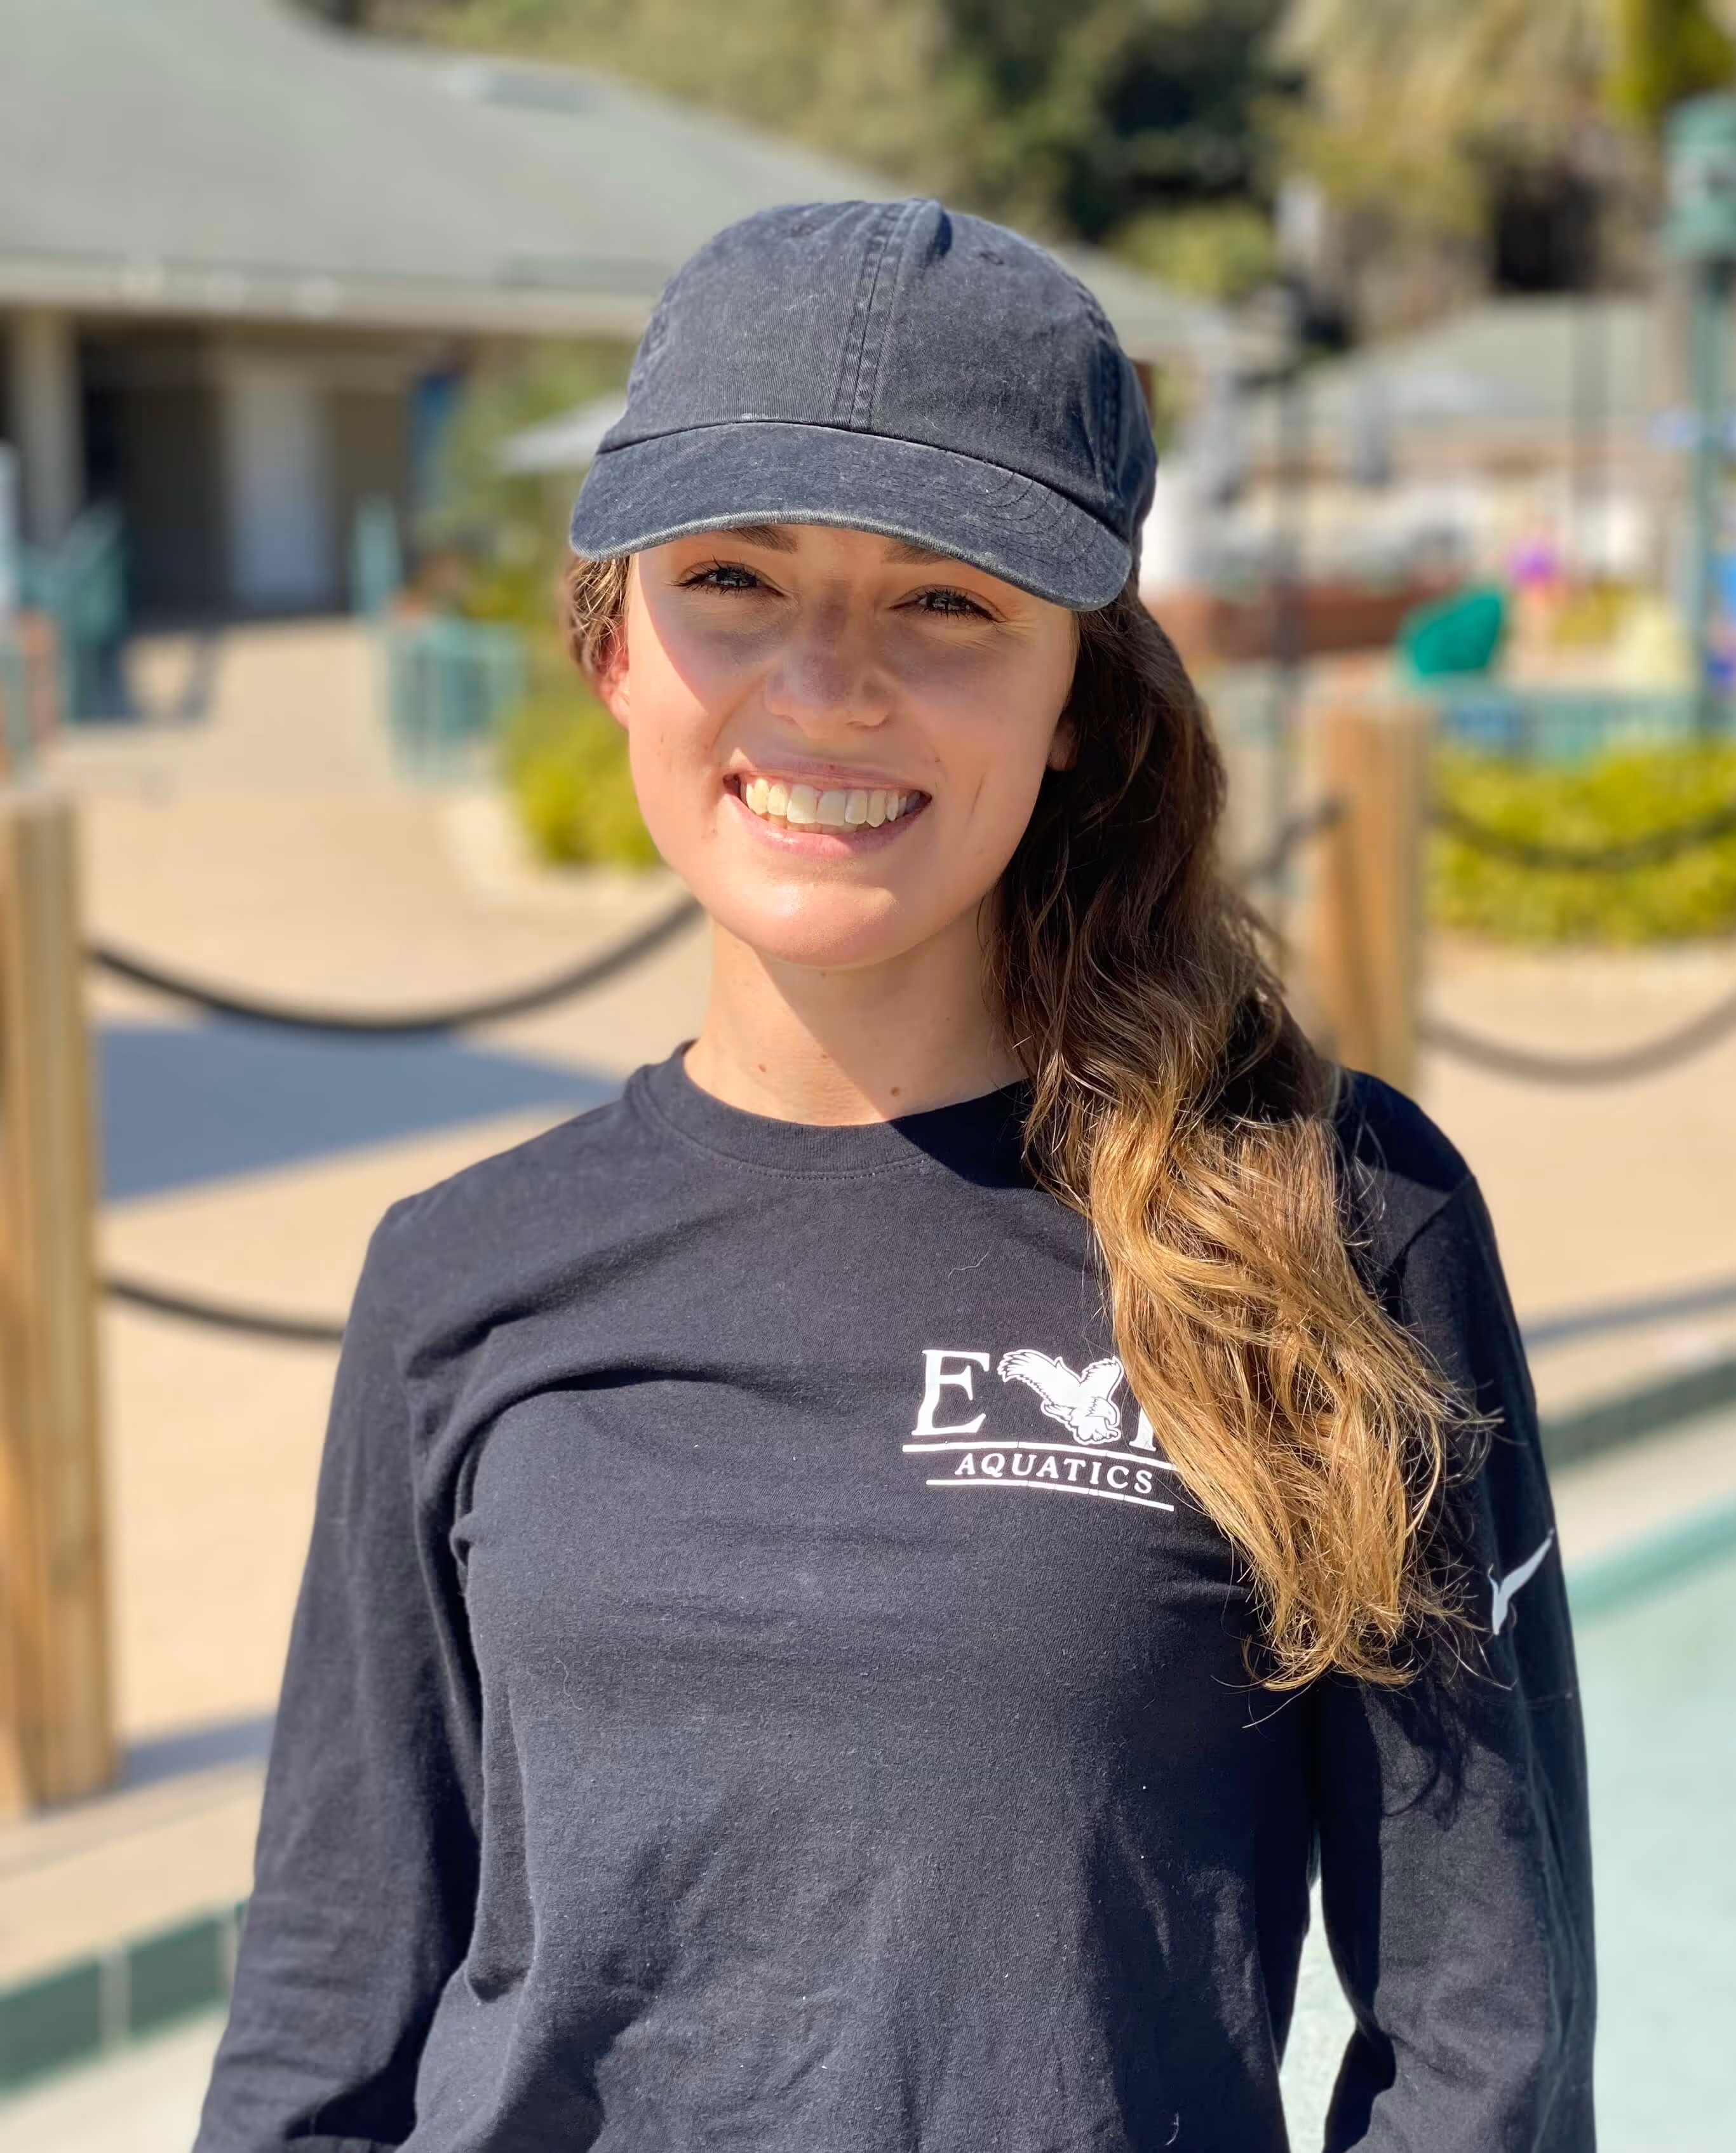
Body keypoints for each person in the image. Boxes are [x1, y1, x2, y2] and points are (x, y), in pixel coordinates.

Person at [194, 200, 1594, 2153]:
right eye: (736, 579)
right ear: (615, 645)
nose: (827, 686)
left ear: (1083, 698)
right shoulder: (461, 1272)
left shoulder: (1329, 1224)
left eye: (947, 601)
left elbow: (1487, 2056)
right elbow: (320, 2027)